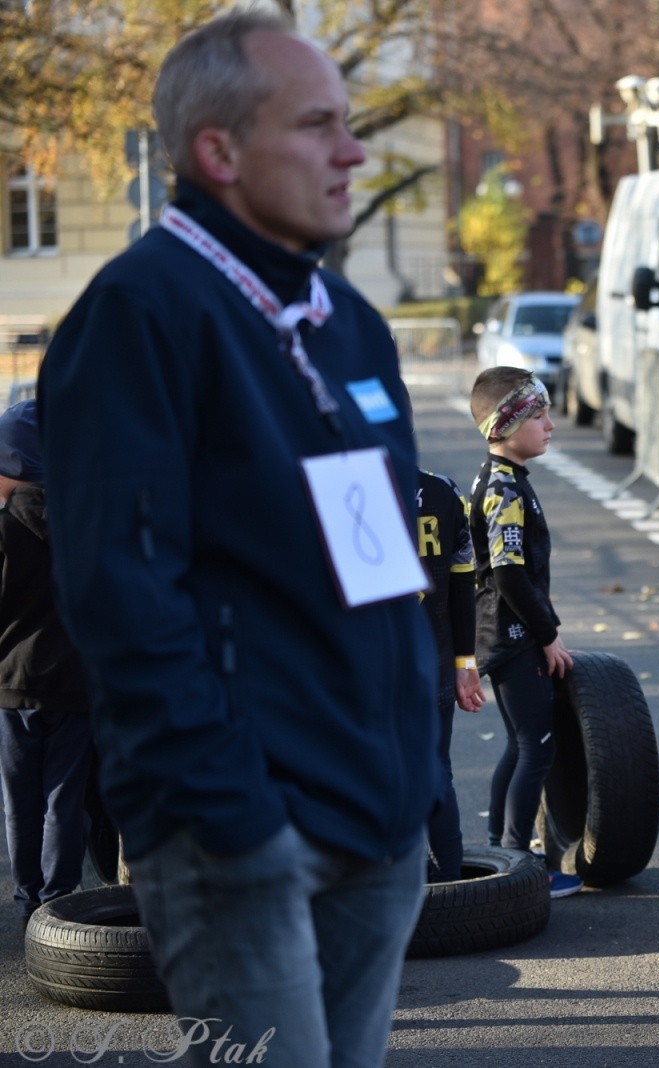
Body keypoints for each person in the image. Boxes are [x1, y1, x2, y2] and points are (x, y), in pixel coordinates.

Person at [39, 12, 439, 1066]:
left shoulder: (344, 317)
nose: (352, 152)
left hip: (378, 819)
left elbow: (379, 561)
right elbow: (122, 598)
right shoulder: (139, 316)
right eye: (317, 127)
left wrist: (413, 772)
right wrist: (233, 818)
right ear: (218, 152)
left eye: (349, 125)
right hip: (244, 836)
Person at [468, 367, 583, 899]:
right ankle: (519, 861)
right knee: (537, 748)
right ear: (502, 425)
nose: (549, 424)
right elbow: (509, 572)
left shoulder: (506, 480)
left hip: (505, 632)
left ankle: (499, 848)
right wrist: (548, 633)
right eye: (537, 416)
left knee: (520, 745)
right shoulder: (502, 489)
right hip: (513, 635)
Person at [0, 401, 94, 919]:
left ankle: (26, 892)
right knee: (66, 796)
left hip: (13, 682)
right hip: (76, 682)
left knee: (20, 797)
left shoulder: (5, 526)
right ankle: (59, 897)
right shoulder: (88, 527)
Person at [416, 468, 487, 882]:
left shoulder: (332, 486)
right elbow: (464, 585)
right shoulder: (443, 491)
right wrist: (465, 664)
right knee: (436, 771)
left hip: (367, 673)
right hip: (437, 663)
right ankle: (450, 885)